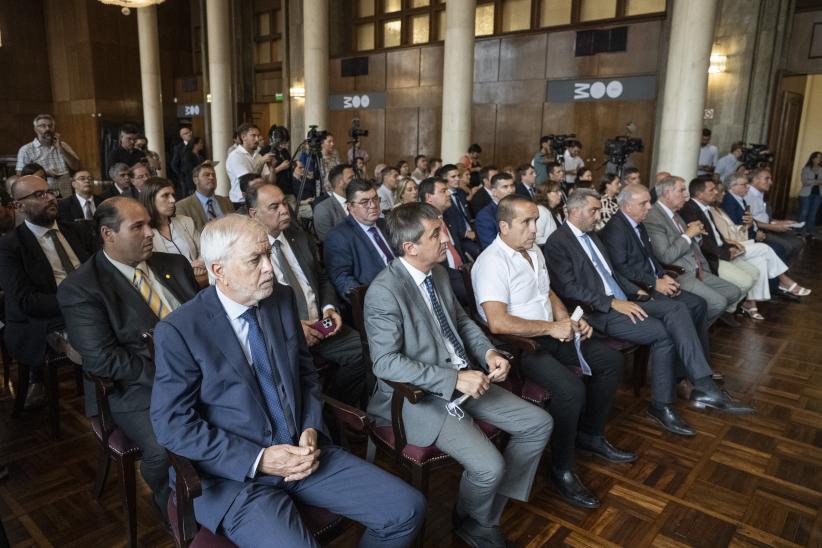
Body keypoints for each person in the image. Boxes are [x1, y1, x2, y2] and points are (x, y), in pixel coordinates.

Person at [149, 214, 424, 547]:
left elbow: (305, 373)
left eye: (268, 255)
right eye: (256, 259)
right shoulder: (180, 330)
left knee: (407, 509)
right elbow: (172, 424)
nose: (270, 267)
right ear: (219, 270)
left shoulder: (279, 298)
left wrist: (310, 426)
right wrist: (259, 460)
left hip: (303, 452)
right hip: (236, 478)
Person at [365, 202, 552, 547]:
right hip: (418, 396)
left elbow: (462, 321)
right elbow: (386, 363)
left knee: (538, 423)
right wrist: (453, 379)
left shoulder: (436, 272)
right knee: (489, 467)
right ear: (411, 248)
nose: (445, 236)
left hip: (464, 378)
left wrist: (489, 352)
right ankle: (477, 520)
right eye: (435, 233)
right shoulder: (384, 292)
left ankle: (479, 515)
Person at [544, 189, 753, 437]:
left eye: (599, 209)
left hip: (625, 298)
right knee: (664, 333)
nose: (599, 215)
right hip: (598, 312)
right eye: (594, 210)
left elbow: (613, 273)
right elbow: (568, 288)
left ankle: (701, 384)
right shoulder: (558, 242)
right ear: (575, 211)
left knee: (679, 307)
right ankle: (665, 404)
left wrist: (638, 290)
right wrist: (611, 303)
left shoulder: (593, 236)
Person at [473, 194, 632, 509]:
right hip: (522, 347)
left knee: (612, 361)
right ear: (503, 226)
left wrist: (568, 318)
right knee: (571, 390)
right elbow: (498, 323)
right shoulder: (491, 262)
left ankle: (590, 435)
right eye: (526, 222)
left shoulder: (532, 250)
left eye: (536, 220)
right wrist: (550, 329)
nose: (535, 228)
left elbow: (546, 290)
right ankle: (562, 468)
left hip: (552, 333)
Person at [57, 197, 199, 525]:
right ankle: (176, 514)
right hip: (134, 388)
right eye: (138, 227)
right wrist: (175, 377)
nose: (151, 232)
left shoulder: (173, 264)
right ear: (108, 234)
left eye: (150, 224)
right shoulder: (81, 288)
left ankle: (235, 498)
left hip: (199, 369)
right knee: (165, 449)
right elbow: (105, 361)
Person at [247, 182, 367, 405]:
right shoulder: (248, 251)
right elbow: (252, 305)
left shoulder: (297, 235)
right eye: (274, 207)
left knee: (367, 352)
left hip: (322, 325)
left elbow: (321, 277)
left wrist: (329, 308)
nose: (284, 210)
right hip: (285, 334)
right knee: (290, 382)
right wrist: (292, 326)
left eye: (284, 202)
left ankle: (341, 408)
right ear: (254, 214)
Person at [0, 176, 97, 407]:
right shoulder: (10, 246)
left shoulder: (77, 231)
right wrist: (78, 303)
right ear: (18, 206)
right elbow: (26, 301)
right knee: (97, 346)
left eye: (50, 191)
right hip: (44, 319)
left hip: (91, 306)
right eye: (39, 195)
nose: (51, 198)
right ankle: (102, 412)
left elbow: (101, 272)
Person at [599, 184, 712, 360]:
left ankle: (694, 364)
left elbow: (651, 257)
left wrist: (663, 274)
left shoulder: (638, 222)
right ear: (628, 206)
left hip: (653, 280)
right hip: (640, 288)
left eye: (649, 202)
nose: (649, 207)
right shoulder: (616, 229)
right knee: (682, 308)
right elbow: (621, 268)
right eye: (644, 203)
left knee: (699, 304)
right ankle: (690, 368)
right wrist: (654, 282)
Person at [644, 176, 744, 325]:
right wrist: (688, 234)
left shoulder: (675, 213)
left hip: (699, 268)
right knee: (718, 303)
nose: (686, 195)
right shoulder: (654, 217)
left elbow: (689, 243)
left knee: (734, 292)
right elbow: (665, 256)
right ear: (666, 193)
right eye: (682, 190)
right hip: (680, 273)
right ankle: (689, 332)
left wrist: (696, 235)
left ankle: (695, 328)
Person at [710, 180, 809, 313]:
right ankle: (783, 281)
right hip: (730, 246)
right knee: (765, 248)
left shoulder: (719, 209)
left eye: (721, 191)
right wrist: (749, 231)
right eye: (719, 191)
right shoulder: (715, 209)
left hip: (740, 240)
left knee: (761, 259)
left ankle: (751, 302)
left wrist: (749, 225)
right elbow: (723, 234)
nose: (722, 194)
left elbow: (733, 228)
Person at [679, 178, 759, 317]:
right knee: (745, 282)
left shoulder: (705, 208)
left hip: (721, 251)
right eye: (711, 190)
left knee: (755, 273)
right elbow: (700, 242)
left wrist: (729, 245)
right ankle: (726, 311)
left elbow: (715, 235)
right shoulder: (689, 210)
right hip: (711, 257)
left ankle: (729, 308)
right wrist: (725, 253)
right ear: (699, 194)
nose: (716, 192)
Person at [325, 180, 394, 301]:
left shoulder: (386, 224)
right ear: (350, 207)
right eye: (364, 202)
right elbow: (342, 279)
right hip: (377, 301)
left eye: (375, 199)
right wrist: (370, 302)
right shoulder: (338, 236)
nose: (373, 205)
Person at [139, 177, 206, 283]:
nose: (173, 200)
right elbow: (153, 266)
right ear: (150, 199)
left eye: (172, 195)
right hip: (170, 285)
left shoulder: (186, 221)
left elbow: (204, 249)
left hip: (199, 277)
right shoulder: (144, 232)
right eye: (165, 195)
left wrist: (200, 263)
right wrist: (189, 267)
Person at [418, 178, 471, 305]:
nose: (448, 194)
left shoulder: (448, 215)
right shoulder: (421, 222)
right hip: (442, 277)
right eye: (443, 191)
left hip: (463, 270)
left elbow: (458, 246)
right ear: (429, 197)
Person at [745, 168, 805, 268]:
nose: (771, 182)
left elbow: (764, 216)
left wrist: (782, 222)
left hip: (767, 226)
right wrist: (773, 227)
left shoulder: (761, 194)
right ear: (755, 180)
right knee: (787, 246)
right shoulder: (747, 195)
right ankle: (778, 275)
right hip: (758, 230)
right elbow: (751, 220)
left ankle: (782, 272)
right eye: (767, 179)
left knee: (798, 242)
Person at [16, 114, 80, 195]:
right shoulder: (26, 150)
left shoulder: (63, 145)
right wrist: (45, 173)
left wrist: (60, 148)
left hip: (66, 193)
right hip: (43, 194)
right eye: (43, 126)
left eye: (50, 126)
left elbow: (76, 166)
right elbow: (20, 176)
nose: (48, 129)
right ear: (35, 129)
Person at [174, 161, 235, 233]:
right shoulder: (183, 207)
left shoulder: (226, 202)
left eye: (213, 175)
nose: (211, 177)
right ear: (195, 180)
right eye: (207, 175)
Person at [226, 123, 275, 208]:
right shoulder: (235, 156)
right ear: (243, 137)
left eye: (258, 136)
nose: (257, 139)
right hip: (241, 203)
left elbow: (270, 182)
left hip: (258, 200)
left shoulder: (258, 156)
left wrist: (272, 169)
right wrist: (261, 162)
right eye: (253, 135)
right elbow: (249, 183)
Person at [438, 164, 480, 258]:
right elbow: (448, 222)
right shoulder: (443, 198)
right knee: (479, 253)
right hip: (458, 237)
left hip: (472, 232)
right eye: (453, 176)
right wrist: (465, 233)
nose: (457, 179)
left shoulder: (461, 193)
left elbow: (467, 216)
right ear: (444, 179)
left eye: (458, 176)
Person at [313, 164, 354, 241]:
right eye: (351, 178)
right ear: (339, 183)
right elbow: (329, 241)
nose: (355, 180)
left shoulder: (357, 202)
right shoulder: (323, 209)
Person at [476, 172, 517, 249]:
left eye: (512, 186)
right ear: (494, 192)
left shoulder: (519, 207)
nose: (511, 190)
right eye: (505, 187)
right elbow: (491, 246)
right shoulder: (485, 216)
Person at [799, 151, 822, 238]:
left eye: (820, 158)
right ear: (812, 159)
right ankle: (799, 231)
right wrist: (818, 181)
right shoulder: (806, 169)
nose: (818, 159)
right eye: (817, 157)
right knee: (803, 213)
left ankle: (810, 232)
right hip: (806, 194)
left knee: (813, 214)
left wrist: (813, 181)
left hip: (818, 194)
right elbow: (805, 182)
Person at [534, 180, 561, 246]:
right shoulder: (541, 210)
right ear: (546, 194)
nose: (560, 194)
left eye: (559, 191)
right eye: (556, 192)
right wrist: (557, 240)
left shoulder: (556, 211)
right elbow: (536, 239)